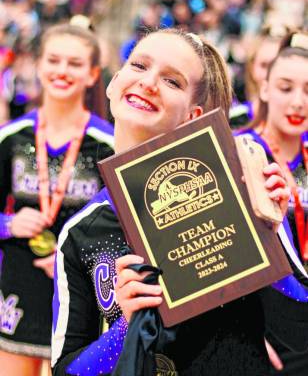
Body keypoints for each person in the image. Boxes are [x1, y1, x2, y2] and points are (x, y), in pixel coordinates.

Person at [52, 28, 289, 375]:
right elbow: (66, 370)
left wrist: (272, 235)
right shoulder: (81, 231)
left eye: (172, 81)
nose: (148, 83)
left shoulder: (237, 200)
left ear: (194, 117)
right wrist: (125, 326)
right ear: (114, 83)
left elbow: (296, 322)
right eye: (139, 65)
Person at [0, 22, 114, 376]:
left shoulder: (108, 145)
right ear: (39, 64)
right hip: (16, 289)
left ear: (93, 73)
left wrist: (75, 259)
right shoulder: (12, 137)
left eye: (75, 63)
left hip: (78, 290)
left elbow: (124, 229)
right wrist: (8, 224)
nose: (62, 71)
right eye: (54, 60)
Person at [236, 30, 308, 375]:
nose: (298, 102)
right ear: (263, 88)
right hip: (257, 326)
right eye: (285, 88)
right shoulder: (238, 153)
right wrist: (240, 331)